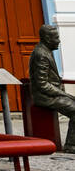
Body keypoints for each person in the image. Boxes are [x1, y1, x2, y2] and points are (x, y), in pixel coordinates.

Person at [28, 24, 75, 153]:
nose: (59, 41)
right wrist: (64, 94)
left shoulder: (45, 50)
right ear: (48, 39)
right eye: (56, 38)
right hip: (44, 97)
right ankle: (71, 145)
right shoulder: (41, 54)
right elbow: (42, 84)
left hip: (51, 94)